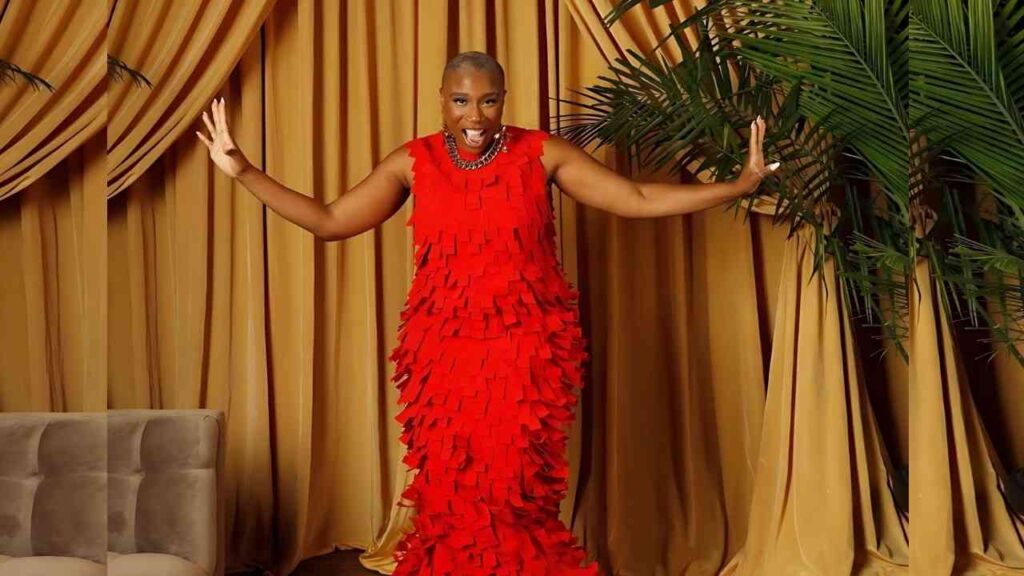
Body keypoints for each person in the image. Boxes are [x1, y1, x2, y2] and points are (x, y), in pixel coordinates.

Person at [197, 51, 778, 575]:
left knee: (514, 487)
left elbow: (637, 199)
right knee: (452, 490)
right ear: (442, 101)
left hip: (526, 350)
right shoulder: (413, 161)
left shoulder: (541, 153)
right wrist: (244, 170)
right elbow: (330, 221)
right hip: (443, 357)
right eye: (460, 101)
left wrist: (737, 186)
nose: (474, 114)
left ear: (504, 99)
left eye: (488, 100)